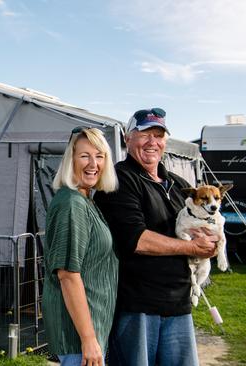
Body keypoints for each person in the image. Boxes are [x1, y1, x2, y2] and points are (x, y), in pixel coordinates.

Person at [94, 108, 218, 366]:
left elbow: (203, 227)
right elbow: (136, 240)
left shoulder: (177, 184)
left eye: (159, 135)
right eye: (144, 134)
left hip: (178, 304)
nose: (153, 142)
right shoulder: (118, 180)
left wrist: (210, 244)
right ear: (128, 138)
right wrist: (193, 247)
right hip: (137, 305)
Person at [42, 127, 119, 366]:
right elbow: (68, 276)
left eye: (100, 156)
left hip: (90, 328)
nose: (93, 164)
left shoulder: (85, 200)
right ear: (70, 159)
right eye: (85, 156)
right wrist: (88, 339)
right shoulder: (72, 204)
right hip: (78, 336)